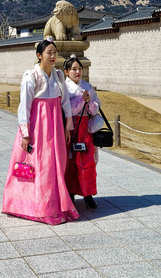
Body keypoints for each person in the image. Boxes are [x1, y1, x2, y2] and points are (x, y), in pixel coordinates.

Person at [2, 39, 79, 225]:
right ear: (39, 55)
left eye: (55, 52)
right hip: (38, 127)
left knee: (57, 164)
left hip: (56, 127)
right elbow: (24, 107)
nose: (53, 56)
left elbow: (65, 103)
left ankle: (56, 203)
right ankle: (39, 206)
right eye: (49, 53)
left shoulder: (59, 76)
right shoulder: (31, 76)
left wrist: (68, 126)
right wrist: (25, 133)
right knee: (41, 166)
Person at [64, 55, 101, 209]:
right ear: (66, 72)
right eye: (74, 69)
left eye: (80, 69)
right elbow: (67, 109)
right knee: (70, 163)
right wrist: (81, 100)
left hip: (85, 129)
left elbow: (97, 106)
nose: (77, 72)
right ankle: (70, 194)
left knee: (88, 163)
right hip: (70, 128)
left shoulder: (87, 86)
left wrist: (90, 102)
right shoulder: (64, 88)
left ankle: (88, 194)